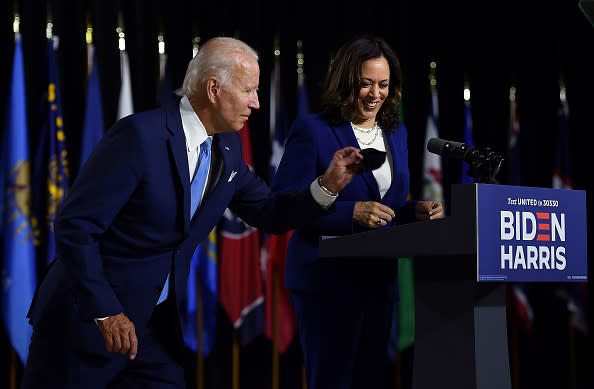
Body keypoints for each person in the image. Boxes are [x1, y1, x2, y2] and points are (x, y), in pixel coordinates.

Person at [21, 37, 363, 389]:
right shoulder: (140, 136)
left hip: (150, 330)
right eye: (248, 90)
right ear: (213, 89)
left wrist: (327, 186)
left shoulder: (228, 149)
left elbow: (269, 211)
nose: (256, 103)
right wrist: (106, 312)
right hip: (85, 323)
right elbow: (76, 227)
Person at [271, 35, 443, 389]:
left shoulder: (396, 133)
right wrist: (351, 214)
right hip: (326, 283)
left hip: (378, 281)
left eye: (383, 84)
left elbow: (387, 206)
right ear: (347, 81)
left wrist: (414, 212)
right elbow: (284, 206)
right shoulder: (314, 130)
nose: (375, 94)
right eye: (365, 84)